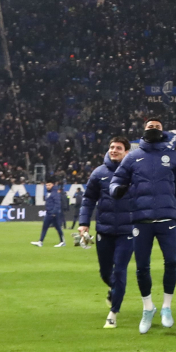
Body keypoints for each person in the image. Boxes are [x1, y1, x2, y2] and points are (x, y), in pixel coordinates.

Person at [109, 123, 176, 334]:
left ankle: (166, 307)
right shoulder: (132, 157)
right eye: (150, 125)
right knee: (142, 267)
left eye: (157, 126)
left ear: (162, 131)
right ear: (144, 130)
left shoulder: (173, 156)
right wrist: (116, 189)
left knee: (171, 263)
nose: (153, 127)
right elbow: (117, 179)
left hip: (167, 218)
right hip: (141, 219)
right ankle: (148, 308)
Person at [76, 137, 134, 328]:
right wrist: (84, 223)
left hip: (128, 231)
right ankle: (114, 290)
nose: (114, 150)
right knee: (105, 273)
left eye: (118, 148)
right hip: (104, 230)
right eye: (111, 147)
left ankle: (113, 313)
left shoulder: (135, 173)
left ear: (127, 152)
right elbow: (88, 199)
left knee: (119, 270)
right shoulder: (98, 173)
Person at [32, 180, 66, 247]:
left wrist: (54, 213)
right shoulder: (49, 192)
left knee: (57, 228)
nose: (47, 186)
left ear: (52, 185)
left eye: (49, 185)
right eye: (46, 185)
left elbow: (57, 204)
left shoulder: (55, 193)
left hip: (53, 214)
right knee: (45, 227)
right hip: (49, 213)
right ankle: (40, 241)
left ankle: (62, 242)